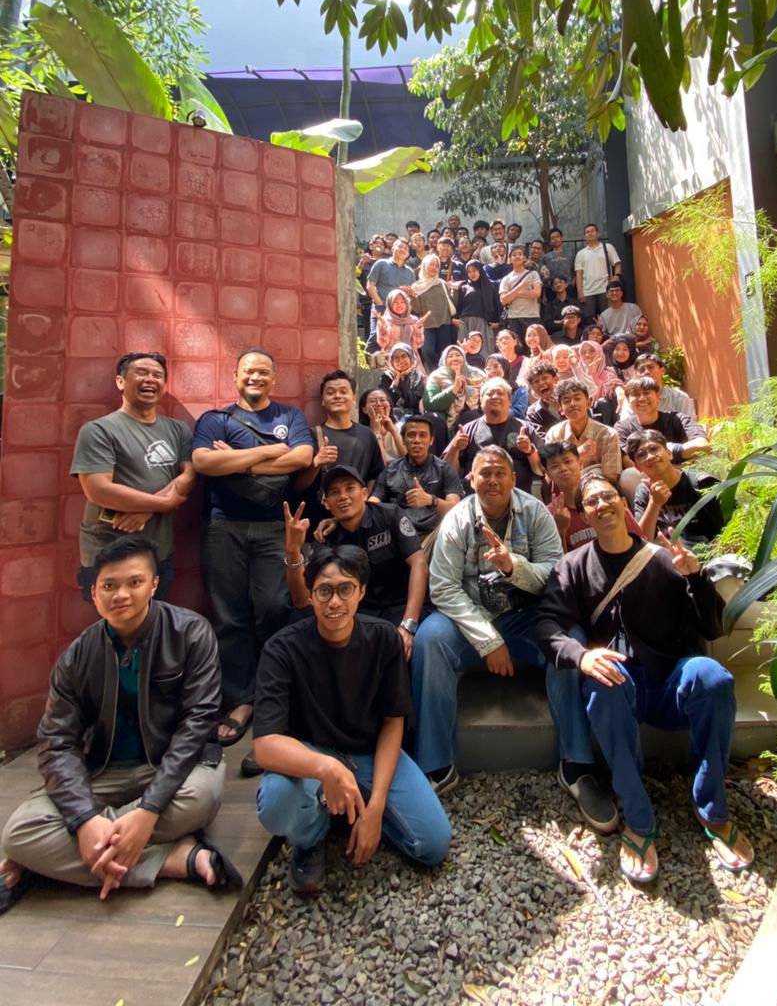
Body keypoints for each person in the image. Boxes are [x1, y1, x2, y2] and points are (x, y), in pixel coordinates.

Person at [534, 472, 753, 884]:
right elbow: (546, 623)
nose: (602, 505)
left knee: (713, 678)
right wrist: (581, 656)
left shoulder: (662, 559)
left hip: (669, 681)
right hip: (620, 689)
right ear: (584, 515)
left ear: (623, 502)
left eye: (608, 496)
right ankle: (637, 816)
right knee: (604, 679)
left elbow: (713, 628)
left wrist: (696, 578)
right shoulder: (573, 566)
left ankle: (712, 808)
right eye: (592, 501)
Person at [0, 536, 236, 910]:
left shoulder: (191, 633)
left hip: (175, 769)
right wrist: (84, 820)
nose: (121, 595)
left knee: (202, 797)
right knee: (19, 832)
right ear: (94, 593)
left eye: (134, 582)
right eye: (109, 585)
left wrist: (148, 811)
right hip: (106, 772)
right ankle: (174, 859)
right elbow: (56, 742)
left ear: (154, 584)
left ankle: (64, 856)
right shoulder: (77, 656)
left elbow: (198, 724)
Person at [411, 447, 617, 832]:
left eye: (500, 473)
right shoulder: (457, 519)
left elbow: (555, 574)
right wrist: (489, 640)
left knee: (569, 638)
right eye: (484, 473)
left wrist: (512, 566)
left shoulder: (535, 513)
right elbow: (443, 587)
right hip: (471, 622)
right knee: (430, 639)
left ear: (514, 478)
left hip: (525, 620)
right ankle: (436, 764)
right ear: (471, 479)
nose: (492, 480)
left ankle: (577, 763)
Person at [254, 545, 451, 895]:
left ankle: (350, 813)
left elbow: (393, 721)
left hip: (368, 753)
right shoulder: (281, 649)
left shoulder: (384, 639)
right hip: (313, 755)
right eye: (324, 591)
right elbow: (266, 747)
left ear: (361, 592)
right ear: (310, 595)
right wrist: (327, 769)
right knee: (276, 800)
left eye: (345, 589)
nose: (335, 602)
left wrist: (375, 809)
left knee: (432, 845)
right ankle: (310, 839)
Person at [192, 349, 315, 749]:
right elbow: (203, 463)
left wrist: (235, 461)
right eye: (249, 371)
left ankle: (272, 696)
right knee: (228, 616)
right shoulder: (216, 419)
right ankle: (240, 700)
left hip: (273, 528)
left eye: (263, 372)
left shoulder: (290, 417)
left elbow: (302, 457)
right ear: (235, 376)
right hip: (223, 526)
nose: (256, 377)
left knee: (274, 609)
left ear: (273, 379)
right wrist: (268, 453)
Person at [71, 351, 194, 602]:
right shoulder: (99, 430)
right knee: (117, 621)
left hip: (158, 552)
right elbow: (98, 490)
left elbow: (190, 474)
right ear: (120, 381)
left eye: (157, 375)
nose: (150, 379)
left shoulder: (178, 429)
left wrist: (149, 509)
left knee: (155, 617)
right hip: (110, 554)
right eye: (141, 373)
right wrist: (163, 503)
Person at [284, 466, 426, 659]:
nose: (343, 496)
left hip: (401, 606)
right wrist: (293, 550)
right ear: (326, 503)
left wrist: (408, 624)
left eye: (350, 488)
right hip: (358, 613)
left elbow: (418, 562)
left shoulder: (390, 515)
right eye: (335, 492)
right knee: (300, 619)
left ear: (365, 493)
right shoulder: (326, 536)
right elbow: (302, 601)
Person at [371, 414, 463, 547]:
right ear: (403, 440)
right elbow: (375, 500)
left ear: (431, 440)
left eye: (423, 435)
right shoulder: (391, 470)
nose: (417, 440)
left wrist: (431, 500)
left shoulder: (444, 469)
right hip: (397, 533)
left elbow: (455, 508)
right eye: (411, 435)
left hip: (433, 535)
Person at [444, 377, 543, 494]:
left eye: (500, 393)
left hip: (518, 498)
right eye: (490, 394)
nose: (495, 397)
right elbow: (447, 473)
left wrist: (530, 451)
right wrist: (455, 448)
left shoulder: (525, 429)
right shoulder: (467, 430)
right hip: (478, 498)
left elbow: (541, 470)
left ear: (510, 401)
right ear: (481, 401)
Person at [542, 441, 644, 551]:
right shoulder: (549, 514)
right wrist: (560, 530)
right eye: (554, 466)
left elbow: (639, 540)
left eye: (567, 461)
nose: (563, 468)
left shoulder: (608, 500)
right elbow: (557, 559)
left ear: (580, 464)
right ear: (548, 474)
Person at [629, 430, 724, 545]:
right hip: (669, 553)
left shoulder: (701, 483)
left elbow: (728, 528)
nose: (649, 457)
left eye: (654, 449)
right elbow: (643, 541)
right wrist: (654, 503)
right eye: (641, 455)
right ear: (637, 467)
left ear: (669, 454)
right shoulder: (644, 491)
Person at [615, 377, 710, 467]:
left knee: (708, 460)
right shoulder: (623, 427)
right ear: (628, 402)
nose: (642, 398)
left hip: (684, 470)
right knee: (629, 474)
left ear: (658, 398)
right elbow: (629, 462)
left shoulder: (679, 419)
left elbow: (703, 445)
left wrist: (669, 451)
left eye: (647, 393)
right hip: (646, 476)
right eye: (636, 394)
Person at [546, 379, 622, 482]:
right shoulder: (554, 434)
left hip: (598, 484)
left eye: (577, 398)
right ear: (561, 409)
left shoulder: (607, 434)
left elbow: (611, 475)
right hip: (566, 484)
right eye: (566, 401)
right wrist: (577, 454)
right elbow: (552, 471)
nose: (572, 404)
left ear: (589, 403)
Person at [411, 252, 458, 369]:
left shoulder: (442, 283)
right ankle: (435, 372)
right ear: (425, 266)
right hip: (427, 325)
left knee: (445, 353)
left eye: (437, 265)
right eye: (431, 264)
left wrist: (455, 289)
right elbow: (417, 309)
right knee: (427, 351)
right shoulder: (416, 286)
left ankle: (444, 373)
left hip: (444, 323)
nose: (434, 268)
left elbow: (452, 303)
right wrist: (412, 296)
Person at [424, 343, 485, 432]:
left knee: (473, 416)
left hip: (471, 416)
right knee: (434, 419)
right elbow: (429, 404)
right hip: (444, 417)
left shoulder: (476, 374)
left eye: (458, 355)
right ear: (444, 360)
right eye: (450, 356)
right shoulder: (436, 376)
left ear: (464, 358)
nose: (454, 358)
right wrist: (454, 389)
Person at [574, 224, 622, 320]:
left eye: (592, 231)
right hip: (588, 291)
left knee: (608, 317)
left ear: (598, 233)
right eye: (587, 232)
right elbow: (579, 274)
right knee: (589, 319)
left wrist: (616, 276)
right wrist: (580, 292)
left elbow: (617, 263)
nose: (590, 233)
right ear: (584, 236)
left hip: (605, 289)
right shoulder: (580, 254)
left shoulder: (608, 247)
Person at [366, 239, 415, 331]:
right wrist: (379, 303)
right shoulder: (381, 264)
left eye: (406, 248)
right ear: (392, 248)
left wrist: (407, 307)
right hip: (381, 307)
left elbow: (411, 294)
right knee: (376, 335)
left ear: (408, 254)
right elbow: (370, 285)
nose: (403, 250)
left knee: (399, 336)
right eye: (400, 246)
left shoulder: (410, 272)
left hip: (400, 311)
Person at [456, 259, 500, 357]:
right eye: (469, 272)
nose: (472, 274)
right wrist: (455, 319)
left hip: (483, 323)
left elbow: (496, 305)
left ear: (480, 270)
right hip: (466, 323)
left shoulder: (490, 286)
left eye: (474, 270)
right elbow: (459, 306)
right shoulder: (464, 287)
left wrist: (498, 323)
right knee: (465, 349)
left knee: (484, 351)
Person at [499, 244, 542, 343]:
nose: (517, 256)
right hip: (513, 317)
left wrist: (514, 294)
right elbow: (503, 300)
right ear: (510, 259)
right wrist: (520, 286)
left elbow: (536, 293)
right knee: (517, 347)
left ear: (525, 258)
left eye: (520, 254)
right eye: (514, 255)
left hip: (531, 316)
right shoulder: (506, 279)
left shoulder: (533, 274)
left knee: (533, 345)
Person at [635, 353, 698, 419]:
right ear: (636, 375)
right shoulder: (633, 401)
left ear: (662, 370)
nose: (646, 372)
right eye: (641, 370)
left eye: (651, 367)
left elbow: (690, 423)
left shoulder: (680, 397)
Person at [374, 288, 427, 365]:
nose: (399, 305)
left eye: (403, 302)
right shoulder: (384, 320)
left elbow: (418, 344)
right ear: (389, 304)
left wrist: (418, 328)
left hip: (410, 360)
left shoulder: (413, 320)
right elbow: (383, 344)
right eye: (395, 302)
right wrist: (383, 326)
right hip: (391, 360)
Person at [379, 343, 426, 418]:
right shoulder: (387, 376)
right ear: (392, 361)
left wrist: (403, 379)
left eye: (404, 356)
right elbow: (387, 401)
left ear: (410, 358)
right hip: (390, 415)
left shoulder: (419, 377)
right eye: (396, 357)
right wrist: (396, 380)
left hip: (413, 417)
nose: (400, 361)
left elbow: (411, 402)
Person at [359, 387, 405, 463]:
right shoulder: (361, 434)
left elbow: (409, 460)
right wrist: (377, 433)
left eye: (382, 400)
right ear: (364, 409)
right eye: (373, 401)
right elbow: (380, 465)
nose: (378, 404)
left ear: (389, 406)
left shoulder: (402, 427)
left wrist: (394, 431)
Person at [483, 353, 529, 420]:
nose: (492, 371)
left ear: (505, 367)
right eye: (488, 368)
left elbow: (518, 412)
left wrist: (496, 413)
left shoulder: (520, 390)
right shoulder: (484, 391)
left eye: (496, 366)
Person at [525, 361, 564, 439]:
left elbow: (580, 424)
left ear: (555, 379)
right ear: (533, 388)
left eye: (544, 378)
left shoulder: (571, 399)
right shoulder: (533, 412)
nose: (541, 383)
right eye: (536, 381)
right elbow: (540, 439)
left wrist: (561, 410)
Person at [517, 323, 552, 387]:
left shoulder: (553, 353)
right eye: (528, 336)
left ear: (542, 336)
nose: (531, 338)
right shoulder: (529, 359)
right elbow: (521, 379)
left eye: (534, 335)